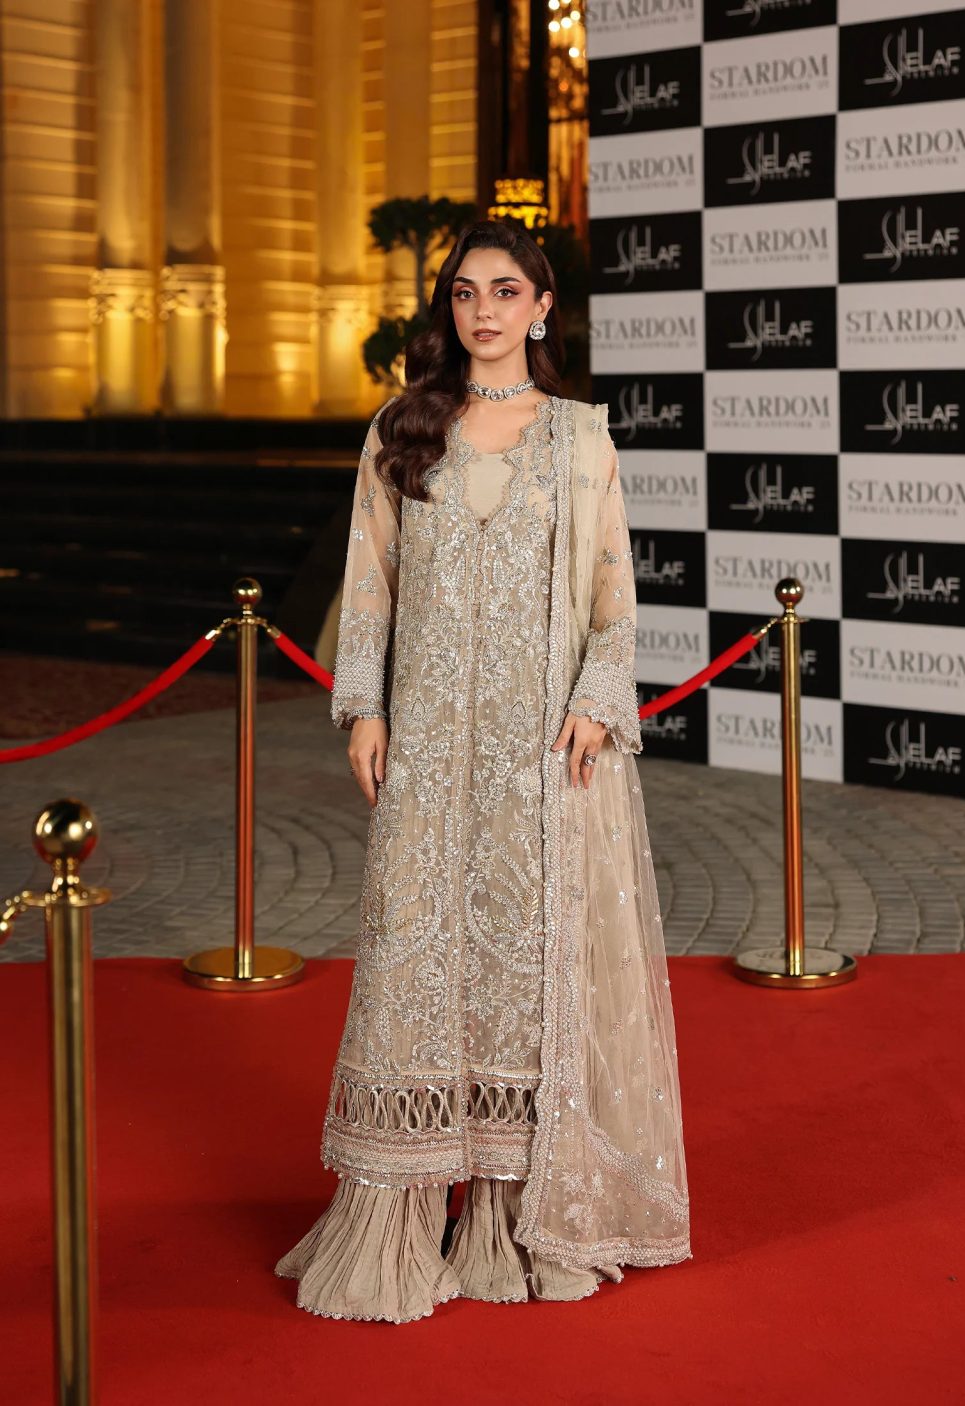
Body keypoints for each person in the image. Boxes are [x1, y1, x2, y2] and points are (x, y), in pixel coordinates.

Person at [275, 219, 691, 1322]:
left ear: (543, 306)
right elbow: (368, 583)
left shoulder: (579, 437)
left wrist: (597, 703)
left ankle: (508, 1215)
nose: (484, 312)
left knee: (520, 968)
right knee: (411, 951)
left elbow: (615, 598)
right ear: (447, 309)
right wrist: (364, 706)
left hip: (536, 755)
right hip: (425, 746)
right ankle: (397, 1211)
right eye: (464, 293)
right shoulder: (402, 428)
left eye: (506, 291)